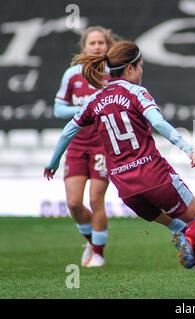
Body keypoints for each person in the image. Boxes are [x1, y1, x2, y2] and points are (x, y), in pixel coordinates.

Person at [44, 41, 195, 293]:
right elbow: (159, 122)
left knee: (178, 228)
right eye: (141, 66)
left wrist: (52, 163)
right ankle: (190, 241)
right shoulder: (136, 92)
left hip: (127, 190)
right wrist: (188, 149)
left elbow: (69, 130)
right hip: (155, 177)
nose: (141, 72)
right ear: (131, 68)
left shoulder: (95, 100)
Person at [54, 26, 118, 268]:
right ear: (84, 47)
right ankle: (93, 241)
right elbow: (58, 109)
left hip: (103, 145)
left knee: (96, 199)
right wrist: (88, 108)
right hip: (77, 145)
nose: (97, 46)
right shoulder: (72, 74)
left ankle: (99, 253)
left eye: (101, 42)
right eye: (92, 43)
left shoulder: (113, 73)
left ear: (108, 45)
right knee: (73, 202)